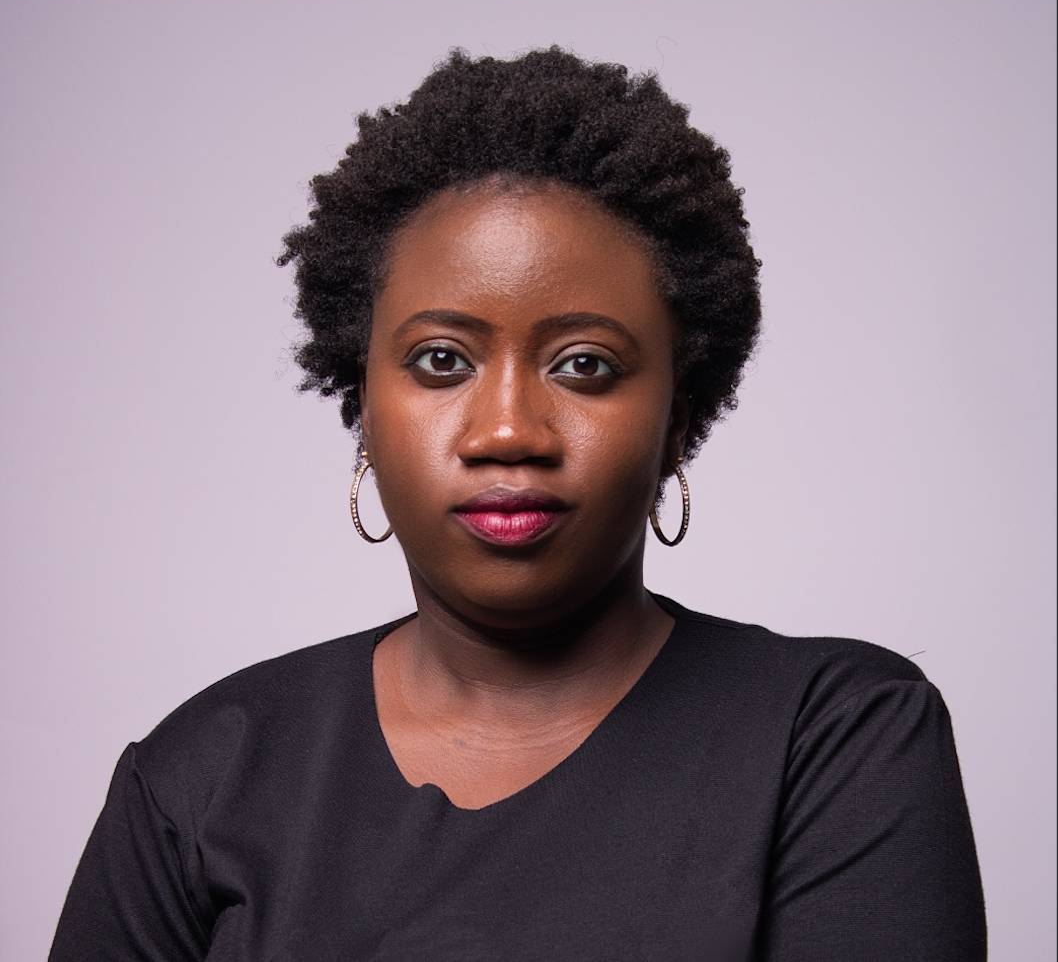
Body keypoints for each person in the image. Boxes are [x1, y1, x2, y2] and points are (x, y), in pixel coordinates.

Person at [49, 47, 986, 961]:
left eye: (585, 366)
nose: (507, 430)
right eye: (441, 361)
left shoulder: (832, 737)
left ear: (675, 421)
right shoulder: (203, 775)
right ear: (364, 408)